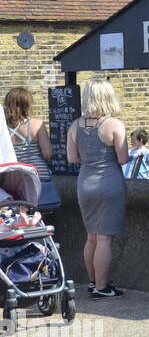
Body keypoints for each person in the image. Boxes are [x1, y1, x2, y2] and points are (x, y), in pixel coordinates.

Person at [66, 81, 129, 299]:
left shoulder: (75, 125)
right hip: (109, 182)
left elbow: (72, 159)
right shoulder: (114, 125)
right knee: (104, 239)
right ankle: (102, 288)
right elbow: (123, 159)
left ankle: (93, 282)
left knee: (91, 237)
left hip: (85, 183)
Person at [4, 87, 59, 213]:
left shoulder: (2, 128)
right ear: (27, 104)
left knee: (17, 218)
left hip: (13, 180)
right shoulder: (37, 124)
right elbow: (47, 153)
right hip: (38, 177)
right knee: (39, 218)